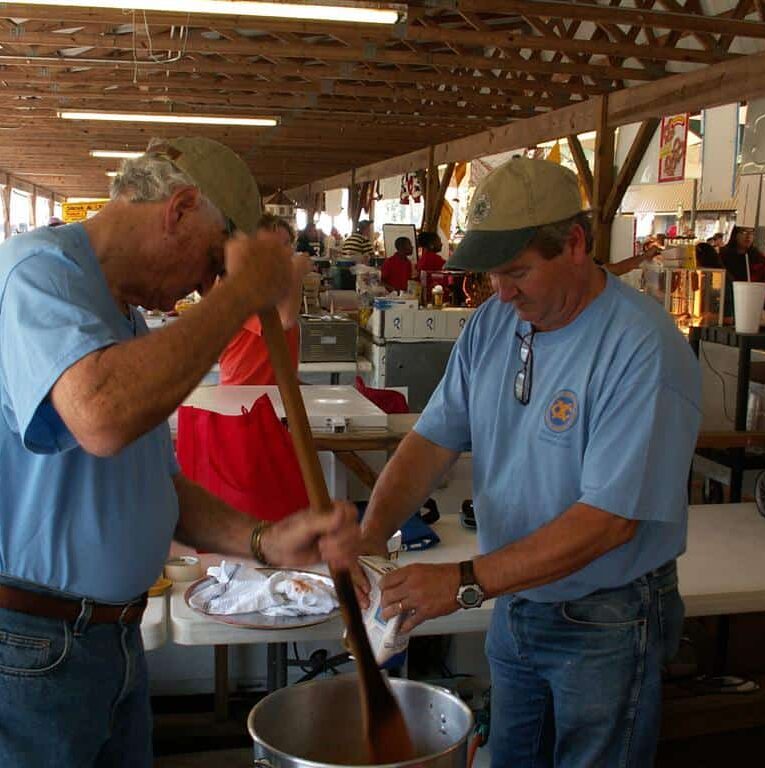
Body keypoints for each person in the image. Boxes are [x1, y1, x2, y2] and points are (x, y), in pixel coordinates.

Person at [0, 136, 360, 767]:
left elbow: (159, 489)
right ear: (180, 208)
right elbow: (101, 417)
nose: (210, 283)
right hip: (34, 648)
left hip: (111, 643)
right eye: (216, 259)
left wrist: (262, 541)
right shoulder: (37, 272)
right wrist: (237, 296)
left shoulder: (126, 319)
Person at [355, 158, 701, 767]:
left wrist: (464, 581)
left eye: (517, 272)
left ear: (574, 244)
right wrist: (367, 537)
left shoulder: (641, 348)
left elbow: (609, 520)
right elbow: (432, 440)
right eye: (494, 273)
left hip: (606, 619)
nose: (502, 291)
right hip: (516, 600)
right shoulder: (493, 324)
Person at [219, 213, 310, 385]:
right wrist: (296, 271)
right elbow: (284, 319)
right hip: (242, 399)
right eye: (272, 246)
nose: (287, 252)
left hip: (273, 397)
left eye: (287, 244)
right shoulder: (237, 286)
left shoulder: (277, 287)